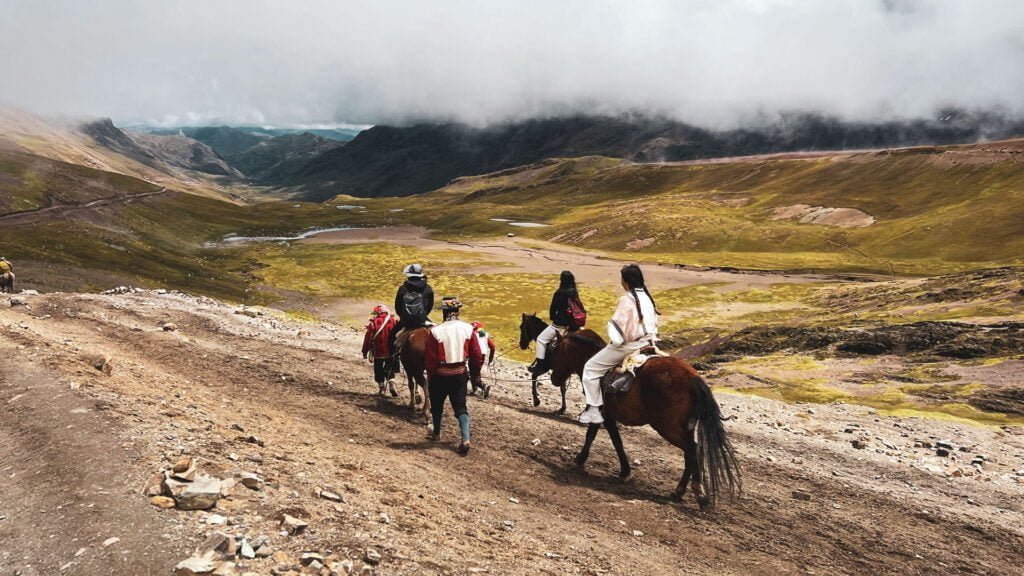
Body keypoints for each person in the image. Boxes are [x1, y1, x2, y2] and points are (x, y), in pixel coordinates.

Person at [579, 265, 659, 425]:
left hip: (629, 346)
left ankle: (594, 411)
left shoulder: (627, 299)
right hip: (649, 342)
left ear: (626, 282)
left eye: (622, 280)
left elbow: (618, 330)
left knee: (590, 368)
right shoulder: (648, 297)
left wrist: (614, 340)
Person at [425, 296, 483, 454]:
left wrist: (431, 377)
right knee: (461, 408)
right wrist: (475, 375)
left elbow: (430, 360)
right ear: (458, 311)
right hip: (459, 375)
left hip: (440, 375)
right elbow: (476, 355)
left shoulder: (435, 332)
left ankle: (436, 433)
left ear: (444, 312)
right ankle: (465, 438)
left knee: (437, 407)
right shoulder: (468, 329)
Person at [530, 270, 586, 377]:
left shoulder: (559, 293)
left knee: (541, 340)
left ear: (561, 280)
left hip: (560, 324)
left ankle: (540, 364)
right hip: (574, 324)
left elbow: (553, 309)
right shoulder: (574, 292)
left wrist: (554, 318)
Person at [392, 263, 435, 350]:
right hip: (422, 320)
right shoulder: (428, 288)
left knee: (391, 336)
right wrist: (423, 315)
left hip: (406, 322)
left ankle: (391, 361)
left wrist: (404, 317)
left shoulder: (403, 288)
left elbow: (398, 307)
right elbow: (430, 306)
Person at [361, 304, 399, 397]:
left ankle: (381, 388)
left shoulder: (374, 322)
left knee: (378, 368)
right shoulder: (393, 320)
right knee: (389, 368)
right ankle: (391, 381)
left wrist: (365, 351)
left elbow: (368, 338)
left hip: (378, 351)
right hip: (391, 350)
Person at [469, 321, 495, 397]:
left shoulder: (472, 334)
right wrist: (490, 359)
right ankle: (475, 390)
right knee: (476, 373)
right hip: (482, 356)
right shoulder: (485, 334)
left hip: (474, 356)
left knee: (472, 374)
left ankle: (483, 386)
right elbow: (493, 347)